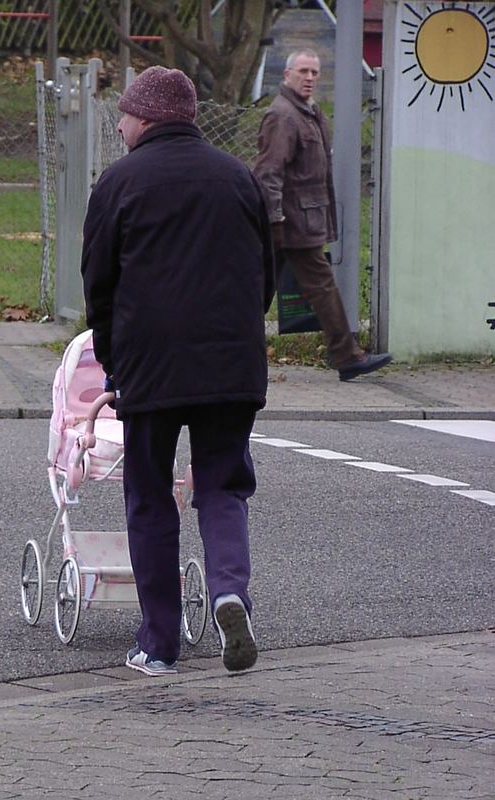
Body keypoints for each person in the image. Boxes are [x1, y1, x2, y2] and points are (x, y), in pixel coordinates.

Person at [81, 65, 275, 676]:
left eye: (124, 115)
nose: (117, 125)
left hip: (151, 369)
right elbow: (265, 279)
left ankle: (159, 644)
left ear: (146, 118)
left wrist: (114, 366)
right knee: (222, 486)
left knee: (149, 499)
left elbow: (99, 288)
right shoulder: (238, 177)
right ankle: (227, 595)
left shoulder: (119, 184)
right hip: (231, 366)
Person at [253, 48, 392, 381]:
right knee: (309, 288)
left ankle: (344, 355)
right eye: (303, 71)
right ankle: (346, 356)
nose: (310, 78)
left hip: (298, 223)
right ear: (287, 75)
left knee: (257, 289)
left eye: (314, 72)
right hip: (289, 224)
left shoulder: (307, 113)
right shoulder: (284, 115)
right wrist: (274, 220)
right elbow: (268, 173)